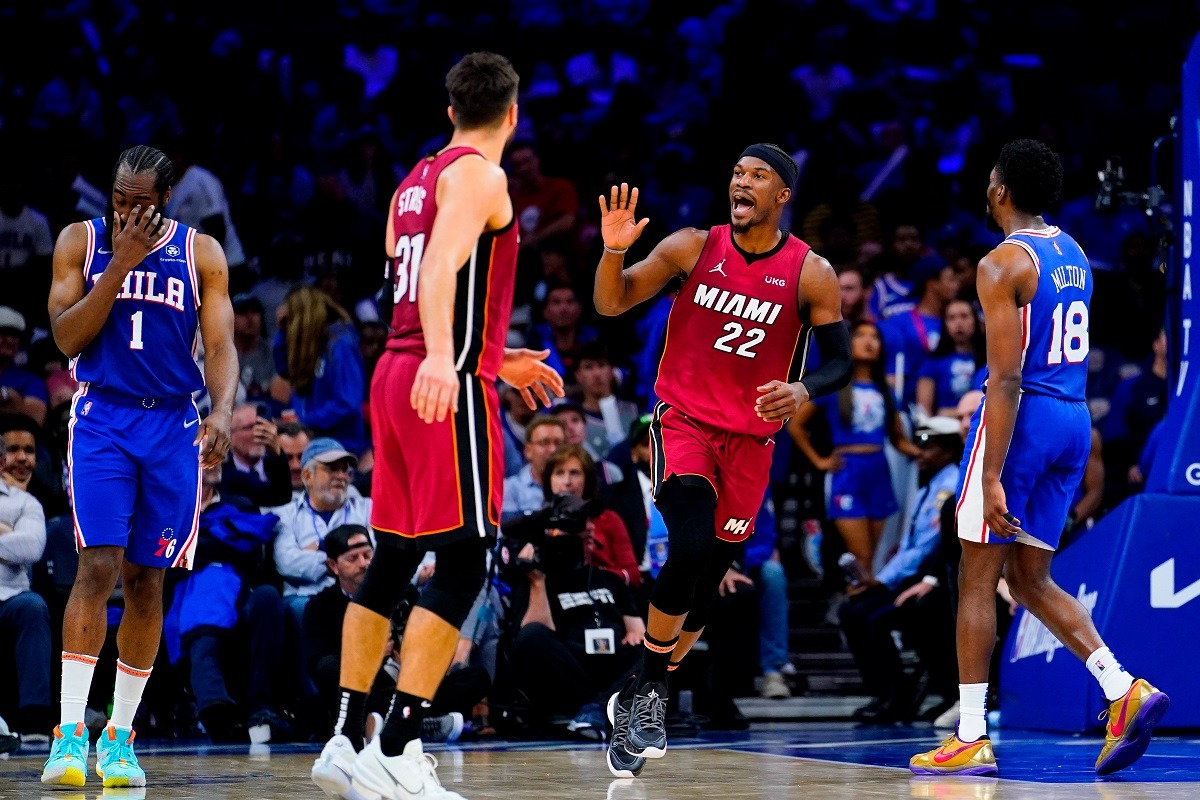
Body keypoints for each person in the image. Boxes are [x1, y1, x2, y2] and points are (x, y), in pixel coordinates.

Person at [311, 52, 564, 800]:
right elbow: (445, 268)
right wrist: (454, 360)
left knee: (392, 558)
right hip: (437, 378)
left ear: (450, 111)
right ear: (512, 116)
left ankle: (345, 739)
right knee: (467, 557)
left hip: (395, 369)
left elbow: (409, 277)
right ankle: (398, 740)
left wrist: (492, 352)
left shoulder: (410, 182)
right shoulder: (483, 177)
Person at [910, 140, 1169, 777]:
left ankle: (969, 736)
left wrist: (992, 474)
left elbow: (1002, 380)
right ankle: (1121, 689)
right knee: (1029, 579)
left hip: (1024, 421)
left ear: (1000, 190)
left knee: (976, 577)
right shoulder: (1075, 252)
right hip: (1074, 420)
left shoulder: (1001, 263)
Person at [593, 143, 851, 777]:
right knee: (687, 546)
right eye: (736, 172)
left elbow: (841, 360)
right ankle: (651, 688)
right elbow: (611, 301)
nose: (742, 181)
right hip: (683, 422)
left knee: (707, 581)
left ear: (781, 195)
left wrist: (804, 388)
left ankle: (636, 692)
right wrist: (613, 250)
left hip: (751, 443)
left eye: (757, 175)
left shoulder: (809, 271)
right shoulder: (691, 246)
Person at [41, 144, 236, 789]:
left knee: (148, 581)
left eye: (139, 202)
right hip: (102, 418)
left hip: (173, 422)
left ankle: (120, 737)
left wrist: (224, 410)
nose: (127, 210)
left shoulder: (199, 252)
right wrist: (118, 268)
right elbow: (67, 337)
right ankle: (69, 737)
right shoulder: (80, 240)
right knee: (97, 567)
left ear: (165, 200)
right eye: (118, 199)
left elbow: (221, 344)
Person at [840, 415, 961, 722]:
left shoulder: (949, 486)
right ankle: (888, 692)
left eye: (928, 447)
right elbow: (908, 547)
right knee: (853, 610)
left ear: (947, 451)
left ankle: (897, 695)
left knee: (867, 616)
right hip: (910, 576)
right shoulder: (927, 487)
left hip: (933, 578)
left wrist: (882, 581)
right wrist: (878, 580)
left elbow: (928, 547)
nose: (920, 453)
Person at [788, 321, 922, 583]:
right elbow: (796, 426)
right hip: (847, 471)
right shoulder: (835, 387)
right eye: (861, 335)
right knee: (859, 555)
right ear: (849, 343)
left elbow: (898, 439)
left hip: (879, 470)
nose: (869, 341)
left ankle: (861, 610)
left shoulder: (885, 390)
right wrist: (819, 461)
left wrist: (920, 452)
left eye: (875, 337)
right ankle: (855, 609)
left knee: (871, 556)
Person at [0, 439, 52, 742]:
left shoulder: (24, 503)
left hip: (11, 596)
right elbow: (17, 545)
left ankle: (34, 720)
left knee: (33, 606)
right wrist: (7, 532)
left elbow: (32, 546)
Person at [274, 287, 367, 455]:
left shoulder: (340, 345)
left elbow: (347, 401)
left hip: (340, 448)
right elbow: (284, 369)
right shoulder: (310, 348)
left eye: (292, 321)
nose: (291, 328)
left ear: (304, 318)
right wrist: (281, 332)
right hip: (314, 444)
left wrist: (305, 422)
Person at [542, 444, 641, 588]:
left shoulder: (609, 519)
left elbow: (633, 575)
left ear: (587, 480)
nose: (567, 482)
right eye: (559, 473)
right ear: (549, 481)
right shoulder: (541, 524)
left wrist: (598, 576)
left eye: (575, 473)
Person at [916, 298, 985, 418]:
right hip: (943, 430)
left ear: (976, 320)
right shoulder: (931, 363)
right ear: (944, 324)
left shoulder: (989, 359)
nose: (958, 323)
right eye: (951, 318)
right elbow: (924, 411)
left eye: (964, 316)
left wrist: (949, 412)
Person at [574, 341, 639, 460]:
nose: (597, 374)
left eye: (602, 365)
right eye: (589, 367)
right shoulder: (573, 419)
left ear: (611, 371)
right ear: (578, 375)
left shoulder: (633, 412)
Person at [220, 402, 292, 508]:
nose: (257, 432)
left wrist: (277, 453)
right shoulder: (222, 474)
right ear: (229, 435)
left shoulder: (278, 465)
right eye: (249, 427)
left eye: (260, 425)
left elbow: (284, 499)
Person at [502, 415, 566, 520]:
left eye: (558, 443)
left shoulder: (574, 486)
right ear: (528, 451)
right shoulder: (510, 490)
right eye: (544, 443)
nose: (552, 450)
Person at [0, 307, 49, 426]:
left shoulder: (29, 380)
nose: (10, 341)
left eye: (15, 336)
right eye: (3, 334)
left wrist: (6, 394)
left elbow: (35, 420)